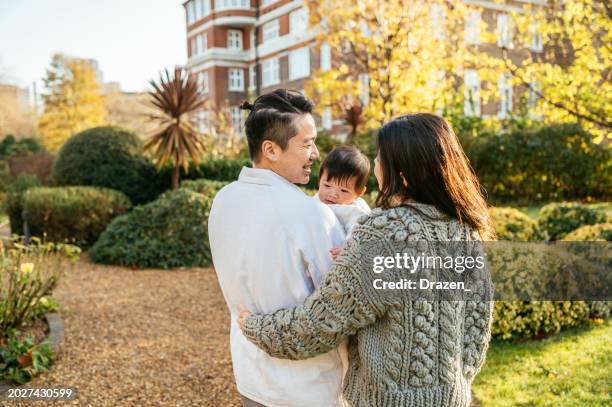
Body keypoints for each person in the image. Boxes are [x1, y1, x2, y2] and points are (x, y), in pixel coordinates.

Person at [238, 113, 495, 407]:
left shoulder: (385, 234)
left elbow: (319, 324)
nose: (374, 165)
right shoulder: (466, 234)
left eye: (379, 157)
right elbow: (476, 335)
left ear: (402, 173)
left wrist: (255, 326)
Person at [208, 89, 346, 407]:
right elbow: (340, 308)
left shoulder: (223, 200)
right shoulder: (313, 215)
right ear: (270, 149)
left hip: (250, 378)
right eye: (307, 144)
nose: (315, 154)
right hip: (310, 390)